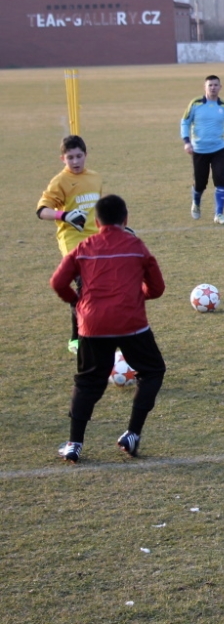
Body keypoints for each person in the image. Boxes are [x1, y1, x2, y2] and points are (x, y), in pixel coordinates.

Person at [50, 195, 166, 463]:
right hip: (130, 322)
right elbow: (157, 288)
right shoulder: (136, 246)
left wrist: (76, 302)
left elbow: (58, 282)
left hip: (92, 324)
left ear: (97, 221)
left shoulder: (84, 246)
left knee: (88, 382)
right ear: (126, 219)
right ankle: (132, 434)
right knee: (153, 371)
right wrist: (137, 296)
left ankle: (74, 444)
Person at [35, 134, 102, 354]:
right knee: (84, 286)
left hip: (96, 241)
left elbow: (97, 211)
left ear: (86, 155)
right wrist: (65, 215)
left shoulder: (95, 177)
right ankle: (76, 338)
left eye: (78, 156)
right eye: (70, 157)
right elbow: (41, 211)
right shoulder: (59, 181)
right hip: (72, 242)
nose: (75, 161)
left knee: (100, 288)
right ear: (62, 158)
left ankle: (98, 331)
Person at [181, 74, 224, 224]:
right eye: (210, 85)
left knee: (220, 178)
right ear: (205, 87)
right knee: (200, 183)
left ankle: (219, 214)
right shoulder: (195, 104)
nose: (213, 88)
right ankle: (196, 202)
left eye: (215, 85)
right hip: (199, 150)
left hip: (219, 149)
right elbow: (185, 122)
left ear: (220, 87)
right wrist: (187, 142)